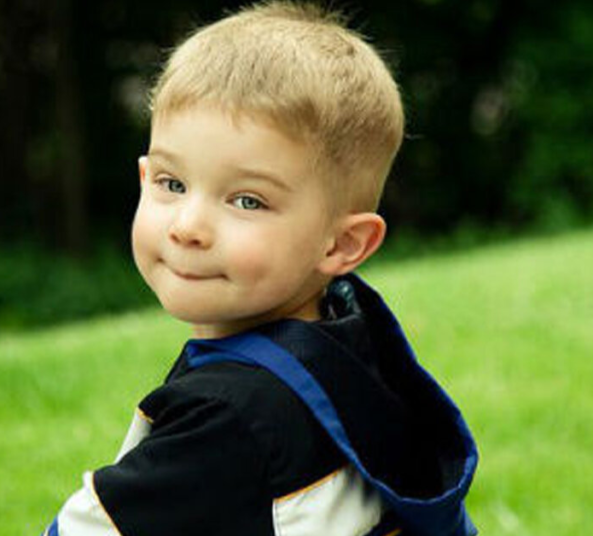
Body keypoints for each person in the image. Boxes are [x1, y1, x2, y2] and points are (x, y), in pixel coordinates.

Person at [40, 2, 478, 536]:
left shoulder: (230, 416)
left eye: (247, 201)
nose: (188, 226)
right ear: (143, 176)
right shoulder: (355, 343)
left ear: (343, 243)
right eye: (171, 183)